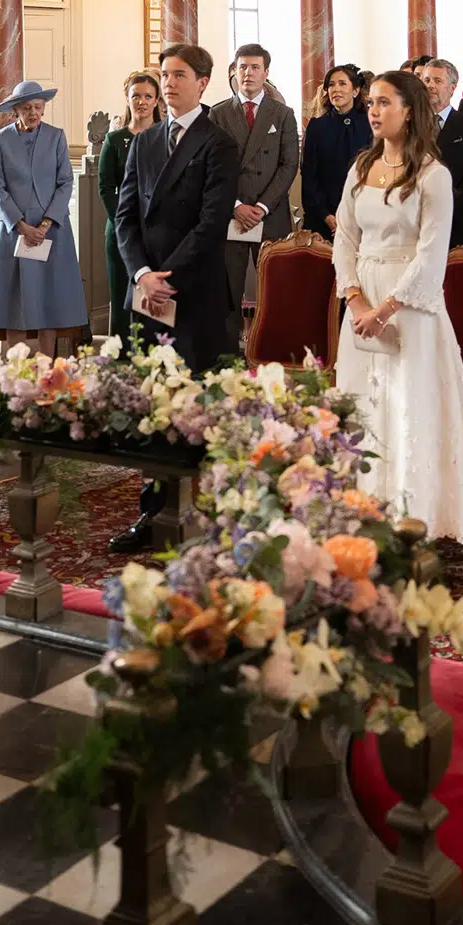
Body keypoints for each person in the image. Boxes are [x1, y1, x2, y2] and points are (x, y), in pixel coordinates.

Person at [333, 71, 463, 542]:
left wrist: (384, 309)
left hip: (409, 305)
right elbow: (345, 236)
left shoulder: (433, 174)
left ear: (410, 110)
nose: (374, 111)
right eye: (371, 104)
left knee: (408, 407)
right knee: (364, 405)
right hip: (360, 301)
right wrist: (355, 298)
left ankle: (415, 513)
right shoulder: (361, 168)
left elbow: (430, 254)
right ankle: (365, 508)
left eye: (385, 103)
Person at [112, 42, 242, 551]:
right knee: (153, 403)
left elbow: (212, 224)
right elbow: (124, 217)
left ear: (203, 82)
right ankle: (154, 513)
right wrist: (142, 272)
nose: (168, 83)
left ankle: (211, 513)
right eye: (164, 74)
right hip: (148, 291)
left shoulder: (218, 142)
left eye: (179, 75)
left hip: (195, 291)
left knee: (196, 405)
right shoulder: (143, 142)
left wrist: (169, 274)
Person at [210, 43, 300, 350]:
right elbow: (212, 167)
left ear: (266, 73)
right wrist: (237, 206)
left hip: (269, 214)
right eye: (242, 67)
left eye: (255, 67)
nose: (248, 73)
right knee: (228, 291)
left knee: (274, 288)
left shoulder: (283, 114)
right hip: (230, 214)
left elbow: (289, 165)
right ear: (234, 71)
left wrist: (261, 206)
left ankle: (274, 350)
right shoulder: (218, 114)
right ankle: (227, 356)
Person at [0, 79, 84, 353]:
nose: (34, 113)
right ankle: (16, 369)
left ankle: (46, 367)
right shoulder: (0, 140)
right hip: (15, 230)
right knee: (14, 300)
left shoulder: (56, 137)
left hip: (52, 229)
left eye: (38, 107)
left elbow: (66, 181)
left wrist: (45, 223)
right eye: (27, 107)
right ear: (15, 110)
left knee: (48, 298)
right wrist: (20, 224)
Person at [98, 71, 163, 343]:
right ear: (127, 98)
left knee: (155, 300)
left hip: (157, 231)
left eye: (148, 96)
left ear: (157, 100)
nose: (142, 102)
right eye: (136, 96)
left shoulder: (166, 137)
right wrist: (124, 223)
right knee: (122, 299)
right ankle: (121, 361)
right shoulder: (115, 140)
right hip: (121, 232)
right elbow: (105, 187)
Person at [416, 58, 463, 247]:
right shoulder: (410, 125)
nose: (430, 86)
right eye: (427, 80)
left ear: (453, 88)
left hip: (458, 220)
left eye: (437, 81)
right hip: (417, 220)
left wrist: (445, 199)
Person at [301, 63, 372, 241]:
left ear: (355, 91)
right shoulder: (317, 127)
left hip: (364, 216)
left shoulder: (371, 125)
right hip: (323, 218)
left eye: (342, 84)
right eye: (331, 85)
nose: (336, 89)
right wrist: (326, 215)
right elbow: (309, 177)